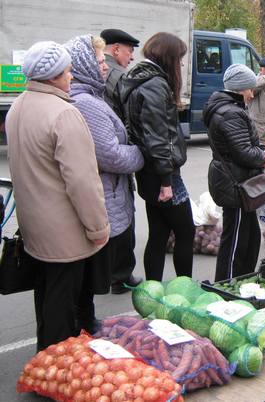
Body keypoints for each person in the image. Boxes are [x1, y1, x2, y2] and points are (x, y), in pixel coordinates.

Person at [5, 41, 110, 350]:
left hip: (34, 225)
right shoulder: (64, 114)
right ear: (52, 76)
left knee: (46, 296)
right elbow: (82, 181)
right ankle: (56, 364)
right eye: (67, 71)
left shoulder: (19, 106)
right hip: (64, 232)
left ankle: (44, 358)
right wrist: (98, 228)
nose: (71, 77)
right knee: (64, 307)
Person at [65, 34, 144, 330]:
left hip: (105, 191)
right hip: (103, 192)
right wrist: (139, 153)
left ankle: (83, 323)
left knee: (83, 276)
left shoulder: (89, 96)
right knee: (85, 275)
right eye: (99, 61)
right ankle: (82, 327)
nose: (105, 66)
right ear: (84, 64)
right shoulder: (86, 103)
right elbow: (110, 155)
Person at [120, 32, 195, 282]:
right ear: (168, 57)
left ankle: (153, 290)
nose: (181, 63)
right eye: (179, 58)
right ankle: (185, 288)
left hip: (149, 170)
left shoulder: (138, 78)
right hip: (162, 173)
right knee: (185, 231)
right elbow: (158, 136)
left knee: (159, 234)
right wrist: (166, 180)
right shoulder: (155, 84)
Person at [203, 64, 265, 281]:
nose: (252, 94)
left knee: (249, 237)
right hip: (236, 184)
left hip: (239, 181)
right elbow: (243, 152)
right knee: (235, 240)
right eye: (250, 88)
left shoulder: (230, 109)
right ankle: (227, 285)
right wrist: (264, 156)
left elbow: (243, 145)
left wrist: (261, 150)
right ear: (240, 88)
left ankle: (243, 280)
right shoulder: (230, 113)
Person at [100, 28, 143, 294]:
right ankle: (121, 276)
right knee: (122, 214)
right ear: (116, 49)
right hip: (117, 153)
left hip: (99, 157)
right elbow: (127, 118)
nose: (131, 56)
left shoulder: (100, 73)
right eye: (129, 50)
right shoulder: (118, 75)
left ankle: (104, 275)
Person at [100, 28, 140, 120]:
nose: (132, 58)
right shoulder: (123, 76)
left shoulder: (87, 68)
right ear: (116, 49)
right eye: (130, 51)